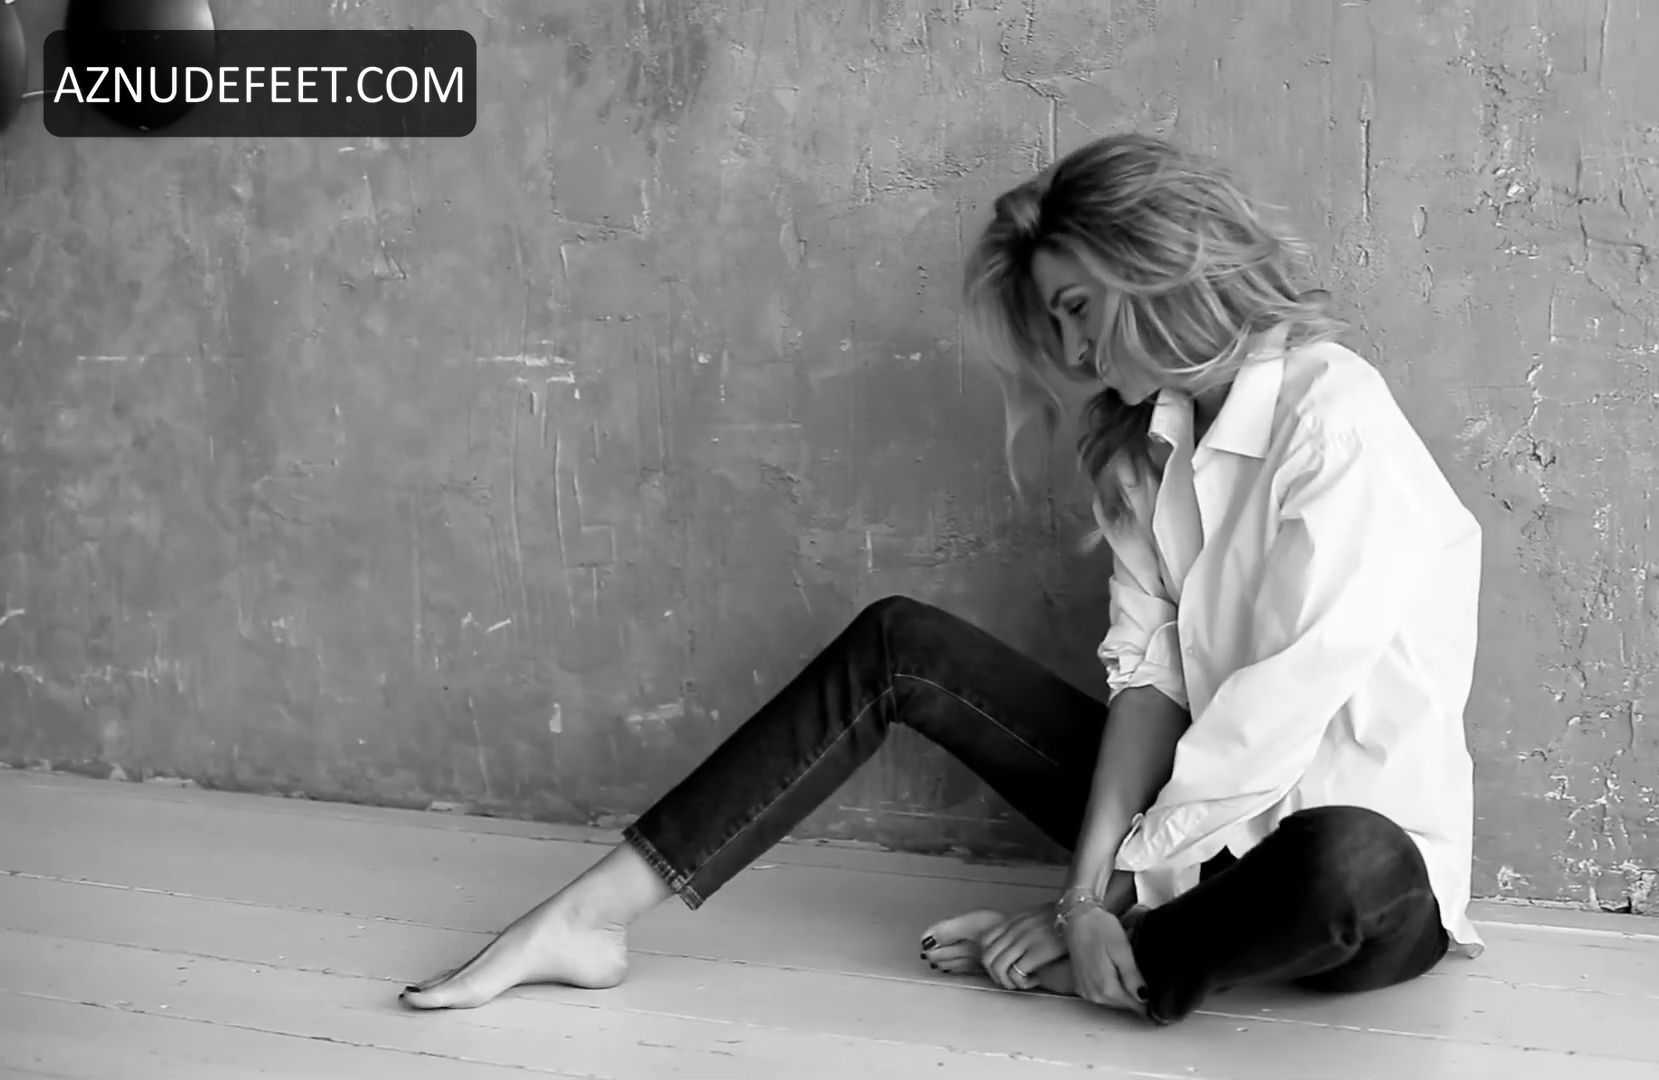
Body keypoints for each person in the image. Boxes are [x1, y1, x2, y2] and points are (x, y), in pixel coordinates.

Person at [398, 132, 1484, 1025]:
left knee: (1349, 855)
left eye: (1076, 308)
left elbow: (1270, 718)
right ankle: (592, 915)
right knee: (900, 642)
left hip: (1343, 884)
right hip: (1183, 840)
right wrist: (1083, 893)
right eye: (1055, 324)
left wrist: (1095, 909)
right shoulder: (1143, 452)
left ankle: (1123, 961)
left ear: (1154, 260)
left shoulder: (1334, 418)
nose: (1072, 353)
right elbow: (1150, 686)